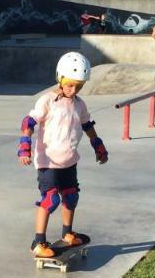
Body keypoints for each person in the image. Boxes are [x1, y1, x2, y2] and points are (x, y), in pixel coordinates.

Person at [18, 51, 108, 259]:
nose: (73, 89)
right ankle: (38, 242)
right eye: (70, 84)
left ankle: (67, 234)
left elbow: (87, 125)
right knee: (51, 200)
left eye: (79, 86)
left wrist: (98, 145)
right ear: (60, 78)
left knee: (71, 197)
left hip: (69, 161)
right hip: (48, 162)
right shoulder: (48, 101)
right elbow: (28, 122)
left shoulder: (79, 104)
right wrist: (25, 145)